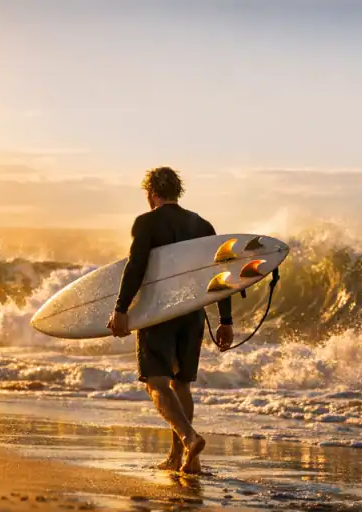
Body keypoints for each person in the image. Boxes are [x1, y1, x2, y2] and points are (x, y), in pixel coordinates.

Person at [107, 166, 234, 474]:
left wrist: (121, 308)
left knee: (156, 383)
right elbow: (218, 274)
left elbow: (136, 266)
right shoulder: (203, 225)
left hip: (160, 311)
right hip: (192, 313)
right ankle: (182, 458)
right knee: (181, 384)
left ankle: (189, 439)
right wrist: (225, 319)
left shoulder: (146, 222)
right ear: (178, 192)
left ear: (151, 194)